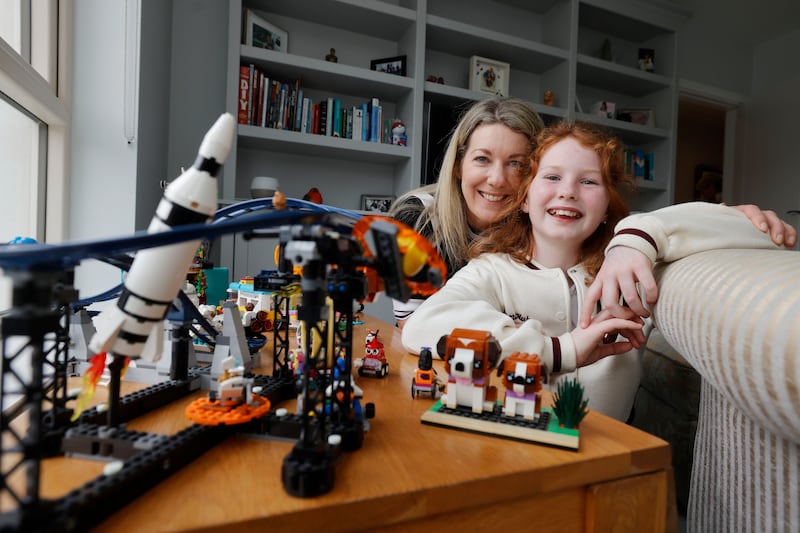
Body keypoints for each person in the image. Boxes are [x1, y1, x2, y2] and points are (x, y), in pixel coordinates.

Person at [401, 121, 790, 421]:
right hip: (511, 447)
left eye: (588, 181)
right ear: (523, 200)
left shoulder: (631, 266)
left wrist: (636, 239)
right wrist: (561, 349)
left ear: (607, 207)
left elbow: (766, 237)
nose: (568, 191)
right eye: (552, 177)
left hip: (604, 459)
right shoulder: (493, 271)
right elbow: (423, 326)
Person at [390, 98, 796, 329]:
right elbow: (417, 327)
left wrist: (726, 217)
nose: (498, 179)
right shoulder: (421, 220)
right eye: (482, 159)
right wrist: (561, 350)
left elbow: (641, 230)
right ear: (459, 164)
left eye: (517, 163)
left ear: (528, 181)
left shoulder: (575, 228)